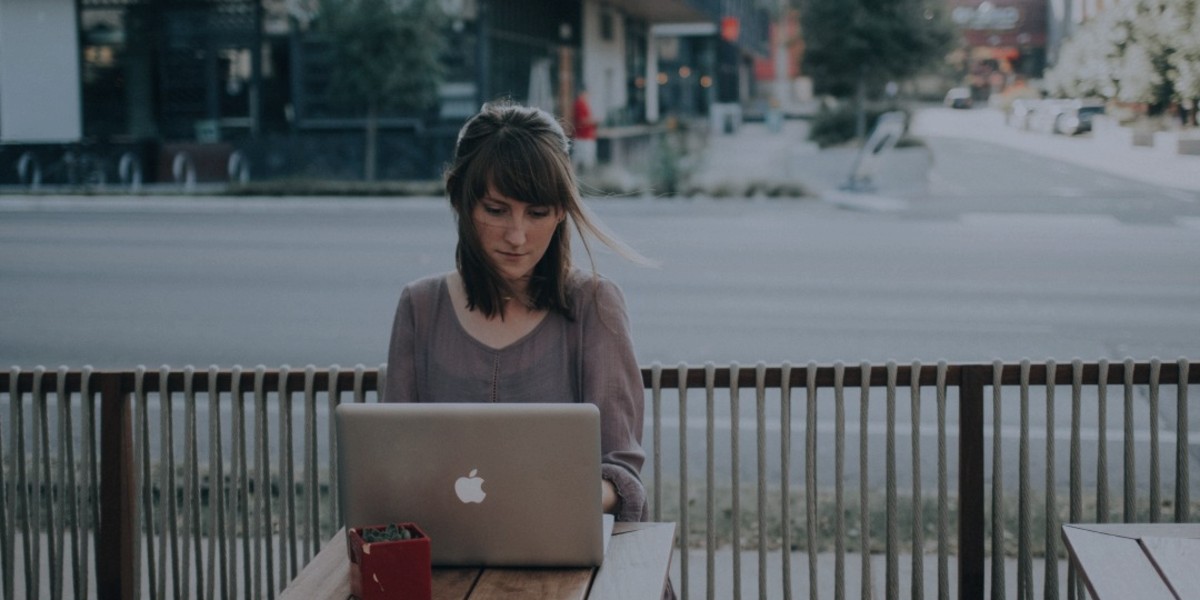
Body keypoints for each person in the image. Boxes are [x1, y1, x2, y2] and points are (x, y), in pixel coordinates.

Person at [383, 101, 648, 523]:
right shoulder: (420, 306)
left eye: (538, 213)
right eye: (495, 209)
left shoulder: (595, 303)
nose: (517, 235)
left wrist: (545, 497)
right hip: (447, 558)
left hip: (571, 564)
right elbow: (392, 461)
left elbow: (621, 475)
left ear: (561, 211)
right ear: (460, 201)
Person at [571, 88, 598, 173]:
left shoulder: (584, 104)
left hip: (586, 136)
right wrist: (593, 121)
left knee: (582, 158)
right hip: (582, 136)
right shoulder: (579, 104)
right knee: (583, 158)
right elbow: (582, 121)